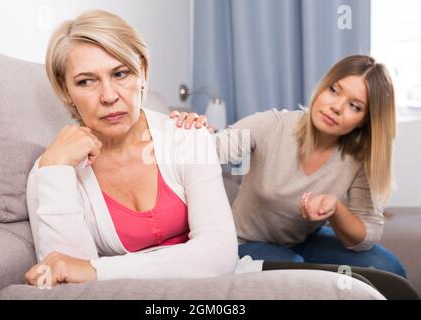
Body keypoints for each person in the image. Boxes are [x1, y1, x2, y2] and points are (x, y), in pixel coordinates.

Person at [24, 10, 239, 288]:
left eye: (120, 73)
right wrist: (54, 170)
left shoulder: (187, 137)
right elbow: (71, 286)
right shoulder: (52, 169)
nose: (109, 96)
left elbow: (219, 257)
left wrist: (97, 270)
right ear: (66, 92)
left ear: (143, 72)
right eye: (86, 81)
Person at [171, 55, 406, 277]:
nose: (336, 107)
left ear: (365, 121)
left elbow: (368, 233)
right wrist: (194, 133)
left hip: (303, 241)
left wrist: (335, 210)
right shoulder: (273, 125)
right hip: (243, 242)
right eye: (334, 90)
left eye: (354, 106)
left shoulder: (358, 158)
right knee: (294, 271)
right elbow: (215, 149)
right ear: (323, 87)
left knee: (387, 267)